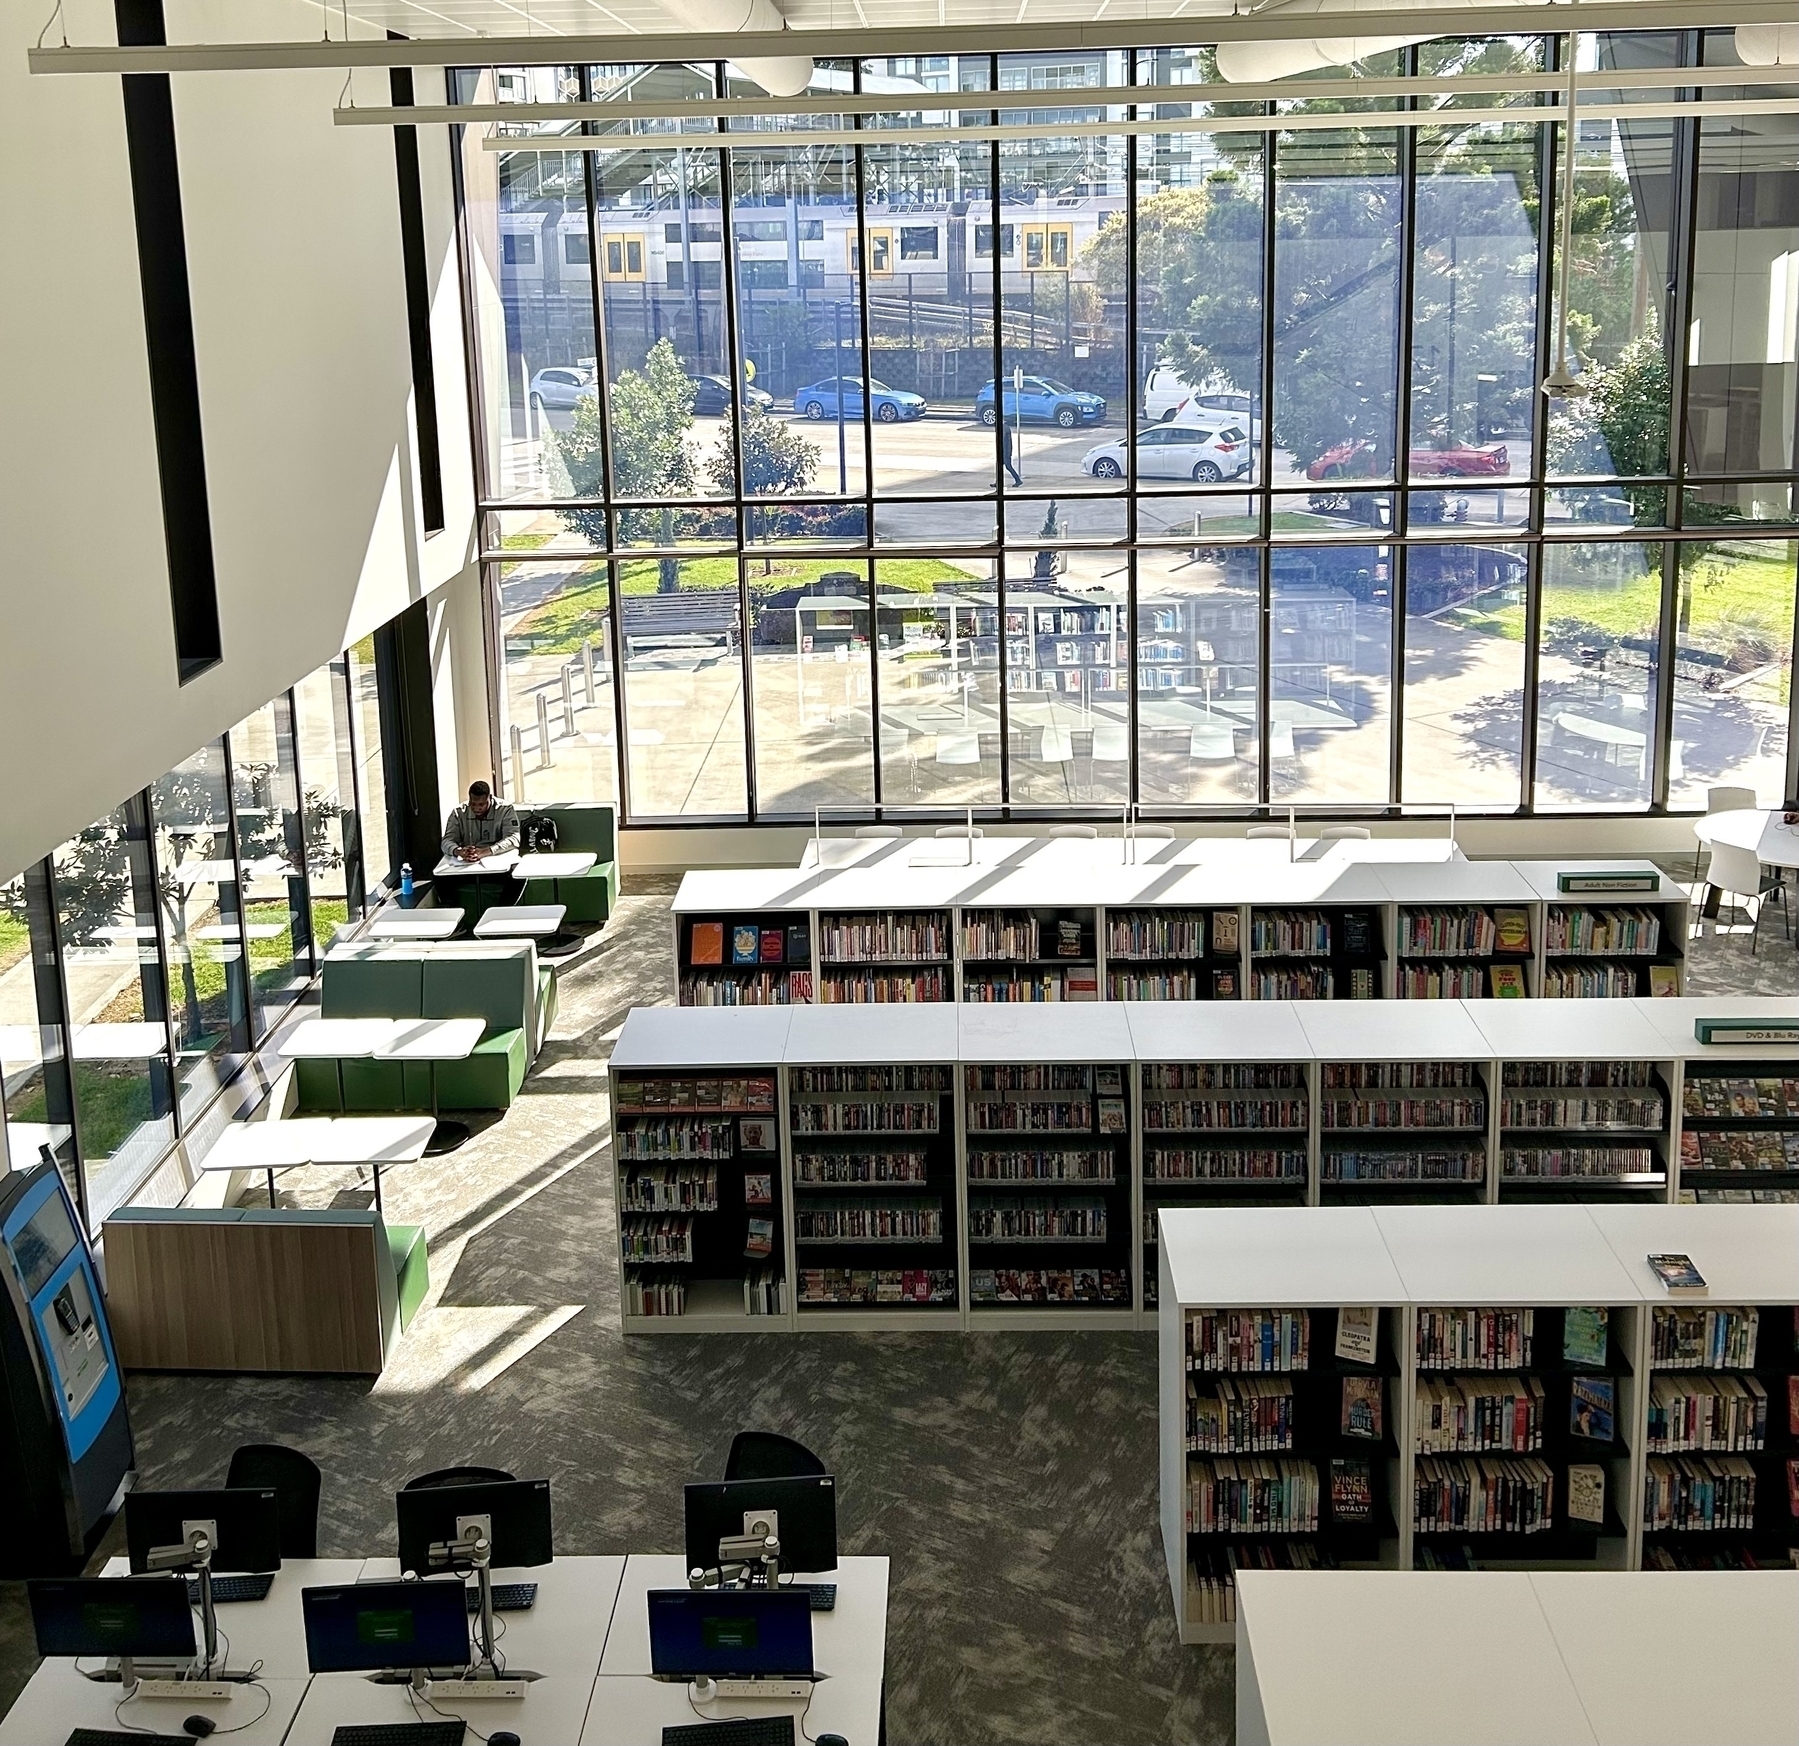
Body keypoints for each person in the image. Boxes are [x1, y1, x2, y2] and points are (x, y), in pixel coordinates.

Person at [442, 781, 519, 863]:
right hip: (467, 861)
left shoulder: (505, 810)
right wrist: (458, 851)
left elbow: (513, 838)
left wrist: (487, 851)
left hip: (497, 858)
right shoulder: (458, 813)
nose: (477, 808)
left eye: (481, 804)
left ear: (490, 798)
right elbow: (447, 841)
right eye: (473, 804)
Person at [1001, 417, 1022, 486]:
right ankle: (998, 482)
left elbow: (1003, 440)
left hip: (1005, 451)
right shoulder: (1005, 427)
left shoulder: (1004, 428)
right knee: (1000, 466)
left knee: (1008, 466)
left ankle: (1018, 480)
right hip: (1005, 451)